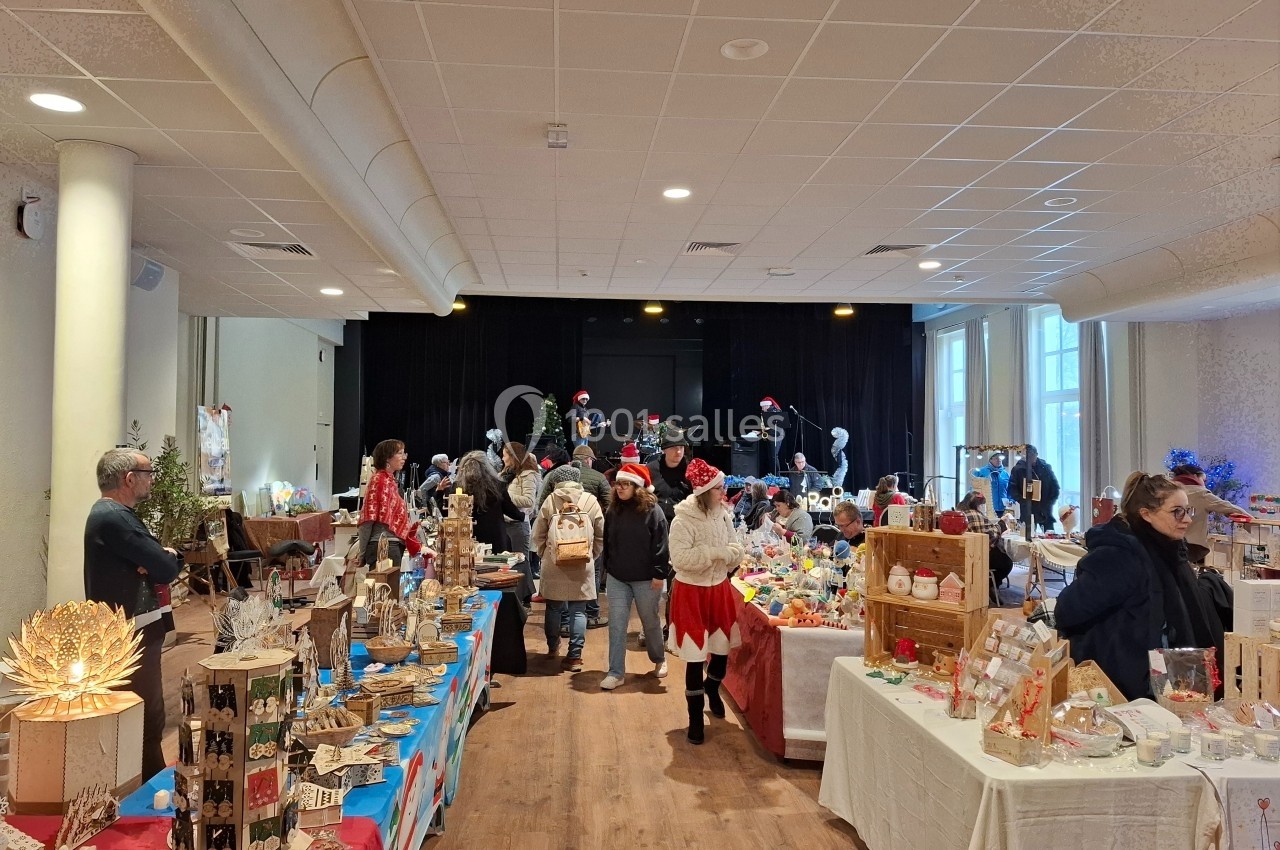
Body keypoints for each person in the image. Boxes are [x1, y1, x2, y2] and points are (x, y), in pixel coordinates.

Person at [1055, 472, 1220, 701]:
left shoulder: (1171, 552)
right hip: (1124, 682)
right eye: (1177, 511)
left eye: (1188, 510)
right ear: (1146, 514)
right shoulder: (1120, 556)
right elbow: (1067, 610)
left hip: (1163, 679)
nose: (1187, 519)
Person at [85, 448, 182, 780]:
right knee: (145, 713)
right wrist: (163, 557)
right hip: (131, 632)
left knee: (144, 711)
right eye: (148, 473)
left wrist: (156, 560)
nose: (151, 479)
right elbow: (166, 565)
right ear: (129, 479)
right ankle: (147, 784)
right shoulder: (114, 518)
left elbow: (156, 562)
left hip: (132, 628)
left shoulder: (112, 514)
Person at [667, 458, 742, 744]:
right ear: (704, 491)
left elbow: (736, 547)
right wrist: (716, 553)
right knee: (695, 658)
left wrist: (729, 554)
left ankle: (713, 686)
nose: (724, 492)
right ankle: (695, 717)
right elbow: (681, 560)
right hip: (692, 593)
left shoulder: (723, 514)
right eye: (719, 488)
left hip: (718, 590)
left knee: (721, 654)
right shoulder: (682, 519)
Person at [600, 463, 670, 690]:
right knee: (617, 625)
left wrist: (659, 574)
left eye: (625, 484)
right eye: (618, 484)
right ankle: (616, 672)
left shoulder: (653, 511)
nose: (620, 488)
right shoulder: (613, 510)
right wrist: (607, 570)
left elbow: (661, 546)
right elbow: (608, 541)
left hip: (647, 578)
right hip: (618, 577)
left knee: (650, 623)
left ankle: (659, 659)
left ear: (637, 487)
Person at [532, 464, 605, 673]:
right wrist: (592, 554)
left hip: (554, 562)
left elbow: (538, 534)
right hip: (582, 563)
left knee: (554, 608)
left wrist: (544, 554)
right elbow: (601, 534)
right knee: (579, 610)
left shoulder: (550, 500)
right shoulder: (590, 500)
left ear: (556, 481)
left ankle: (553, 648)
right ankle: (575, 657)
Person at [357, 439, 422, 566]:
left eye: (404, 454)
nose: (404, 458)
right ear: (387, 458)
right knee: (383, 585)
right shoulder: (379, 481)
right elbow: (368, 519)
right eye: (400, 453)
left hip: (391, 544)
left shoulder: (389, 481)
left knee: (389, 585)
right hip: (384, 546)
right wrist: (362, 553)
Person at [1170, 463, 1250, 563]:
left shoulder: (1168, 491)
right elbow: (1229, 508)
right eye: (1204, 480)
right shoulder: (1200, 493)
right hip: (1191, 547)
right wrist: (1254, 521)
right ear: (1195, 476)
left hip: (1167, 544)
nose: (1204, 484)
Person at [454, 450, 523, 552]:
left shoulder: (458, 487)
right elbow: (510, 510)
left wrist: (438, 493)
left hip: (468, 538)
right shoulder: (497, 485)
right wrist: (523, 516)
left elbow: (449, 512)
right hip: (495, 538)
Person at [957, 491, 1014, 604]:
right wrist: (1002, 523)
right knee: (1007, 562)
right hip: (978, 555)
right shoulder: (976, 515)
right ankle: (991, 585)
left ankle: (989, 585)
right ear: (978, 505)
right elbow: (991, 535)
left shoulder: (960, 513)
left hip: (962, 553)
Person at [502, 442, 541, 599]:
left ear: (512, 456)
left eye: (504, 455)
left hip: (518, 525)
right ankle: (523, 597)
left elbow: (528, 501)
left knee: (520, 563)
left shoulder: (528, 475)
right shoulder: (510, 474)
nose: (502, 459)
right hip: (507, 523)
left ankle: (522, 598)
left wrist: (505, 497)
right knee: (514, 563)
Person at [1008, 445, 1060, 532]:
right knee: (1027, 536)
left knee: (1050, 534)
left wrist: (1050, 502)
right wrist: (1022, 501)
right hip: (1027, 508)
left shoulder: (1046, 468)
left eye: (1032, 455)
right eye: (1027, 455)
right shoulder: (1018, 469)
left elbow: (1055, 486)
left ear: (1036, 454)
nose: (1030, 458)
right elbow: (1012, 489)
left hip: (1045, 508)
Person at [648, 427, 692, 524]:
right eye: (674, 448)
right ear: (664, 450)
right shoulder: (651, 469)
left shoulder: (691, 470)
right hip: (655, 522)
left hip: (682, 523)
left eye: (681, 447)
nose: (679, 452)